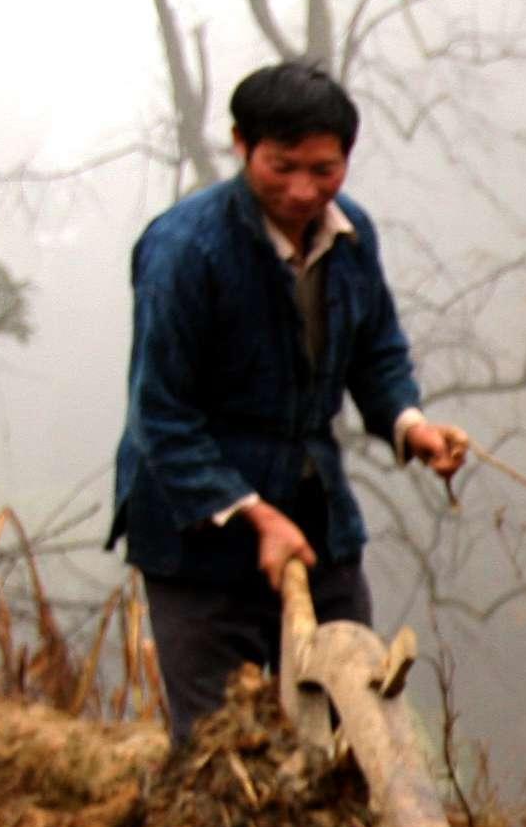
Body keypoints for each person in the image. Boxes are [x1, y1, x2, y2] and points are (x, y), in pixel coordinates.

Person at [112, 60, 471, 741]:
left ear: (346, 160)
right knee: (225, 745)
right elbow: (161, 417)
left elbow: (376, 350)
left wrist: (409, 423)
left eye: (324, 169)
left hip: (315, 517)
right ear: (242, 145)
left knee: (353, 713)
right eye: (282, 167)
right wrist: (254, 518)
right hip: (195, 535)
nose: (304, 190)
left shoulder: (352, 237)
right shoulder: (185, 250)